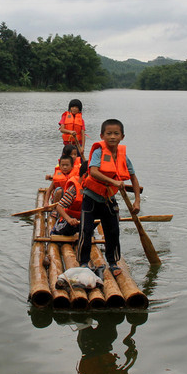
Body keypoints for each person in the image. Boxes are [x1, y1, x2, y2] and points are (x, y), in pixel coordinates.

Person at [76, 119, 140, 278]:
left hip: (108, 199)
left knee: (113, 231)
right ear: (102, 136)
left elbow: (133, 178)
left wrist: (137, 201)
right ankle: (83, 262)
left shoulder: (123, 156)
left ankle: (112, 262)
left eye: (116, 134)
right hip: (91, 198)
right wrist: (114, 182)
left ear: (122, 137)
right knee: (86, 230)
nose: (112, 136)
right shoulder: (99, 152)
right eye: (109, 133)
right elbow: (93, 171)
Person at [51, 161, 87, 236]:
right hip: (69, 221)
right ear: (84, 176)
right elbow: (59, 207)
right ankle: (56, 228)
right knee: (69, 227)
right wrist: (69, 219)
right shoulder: (73, 190)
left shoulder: (93, 190)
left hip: (83, 221)